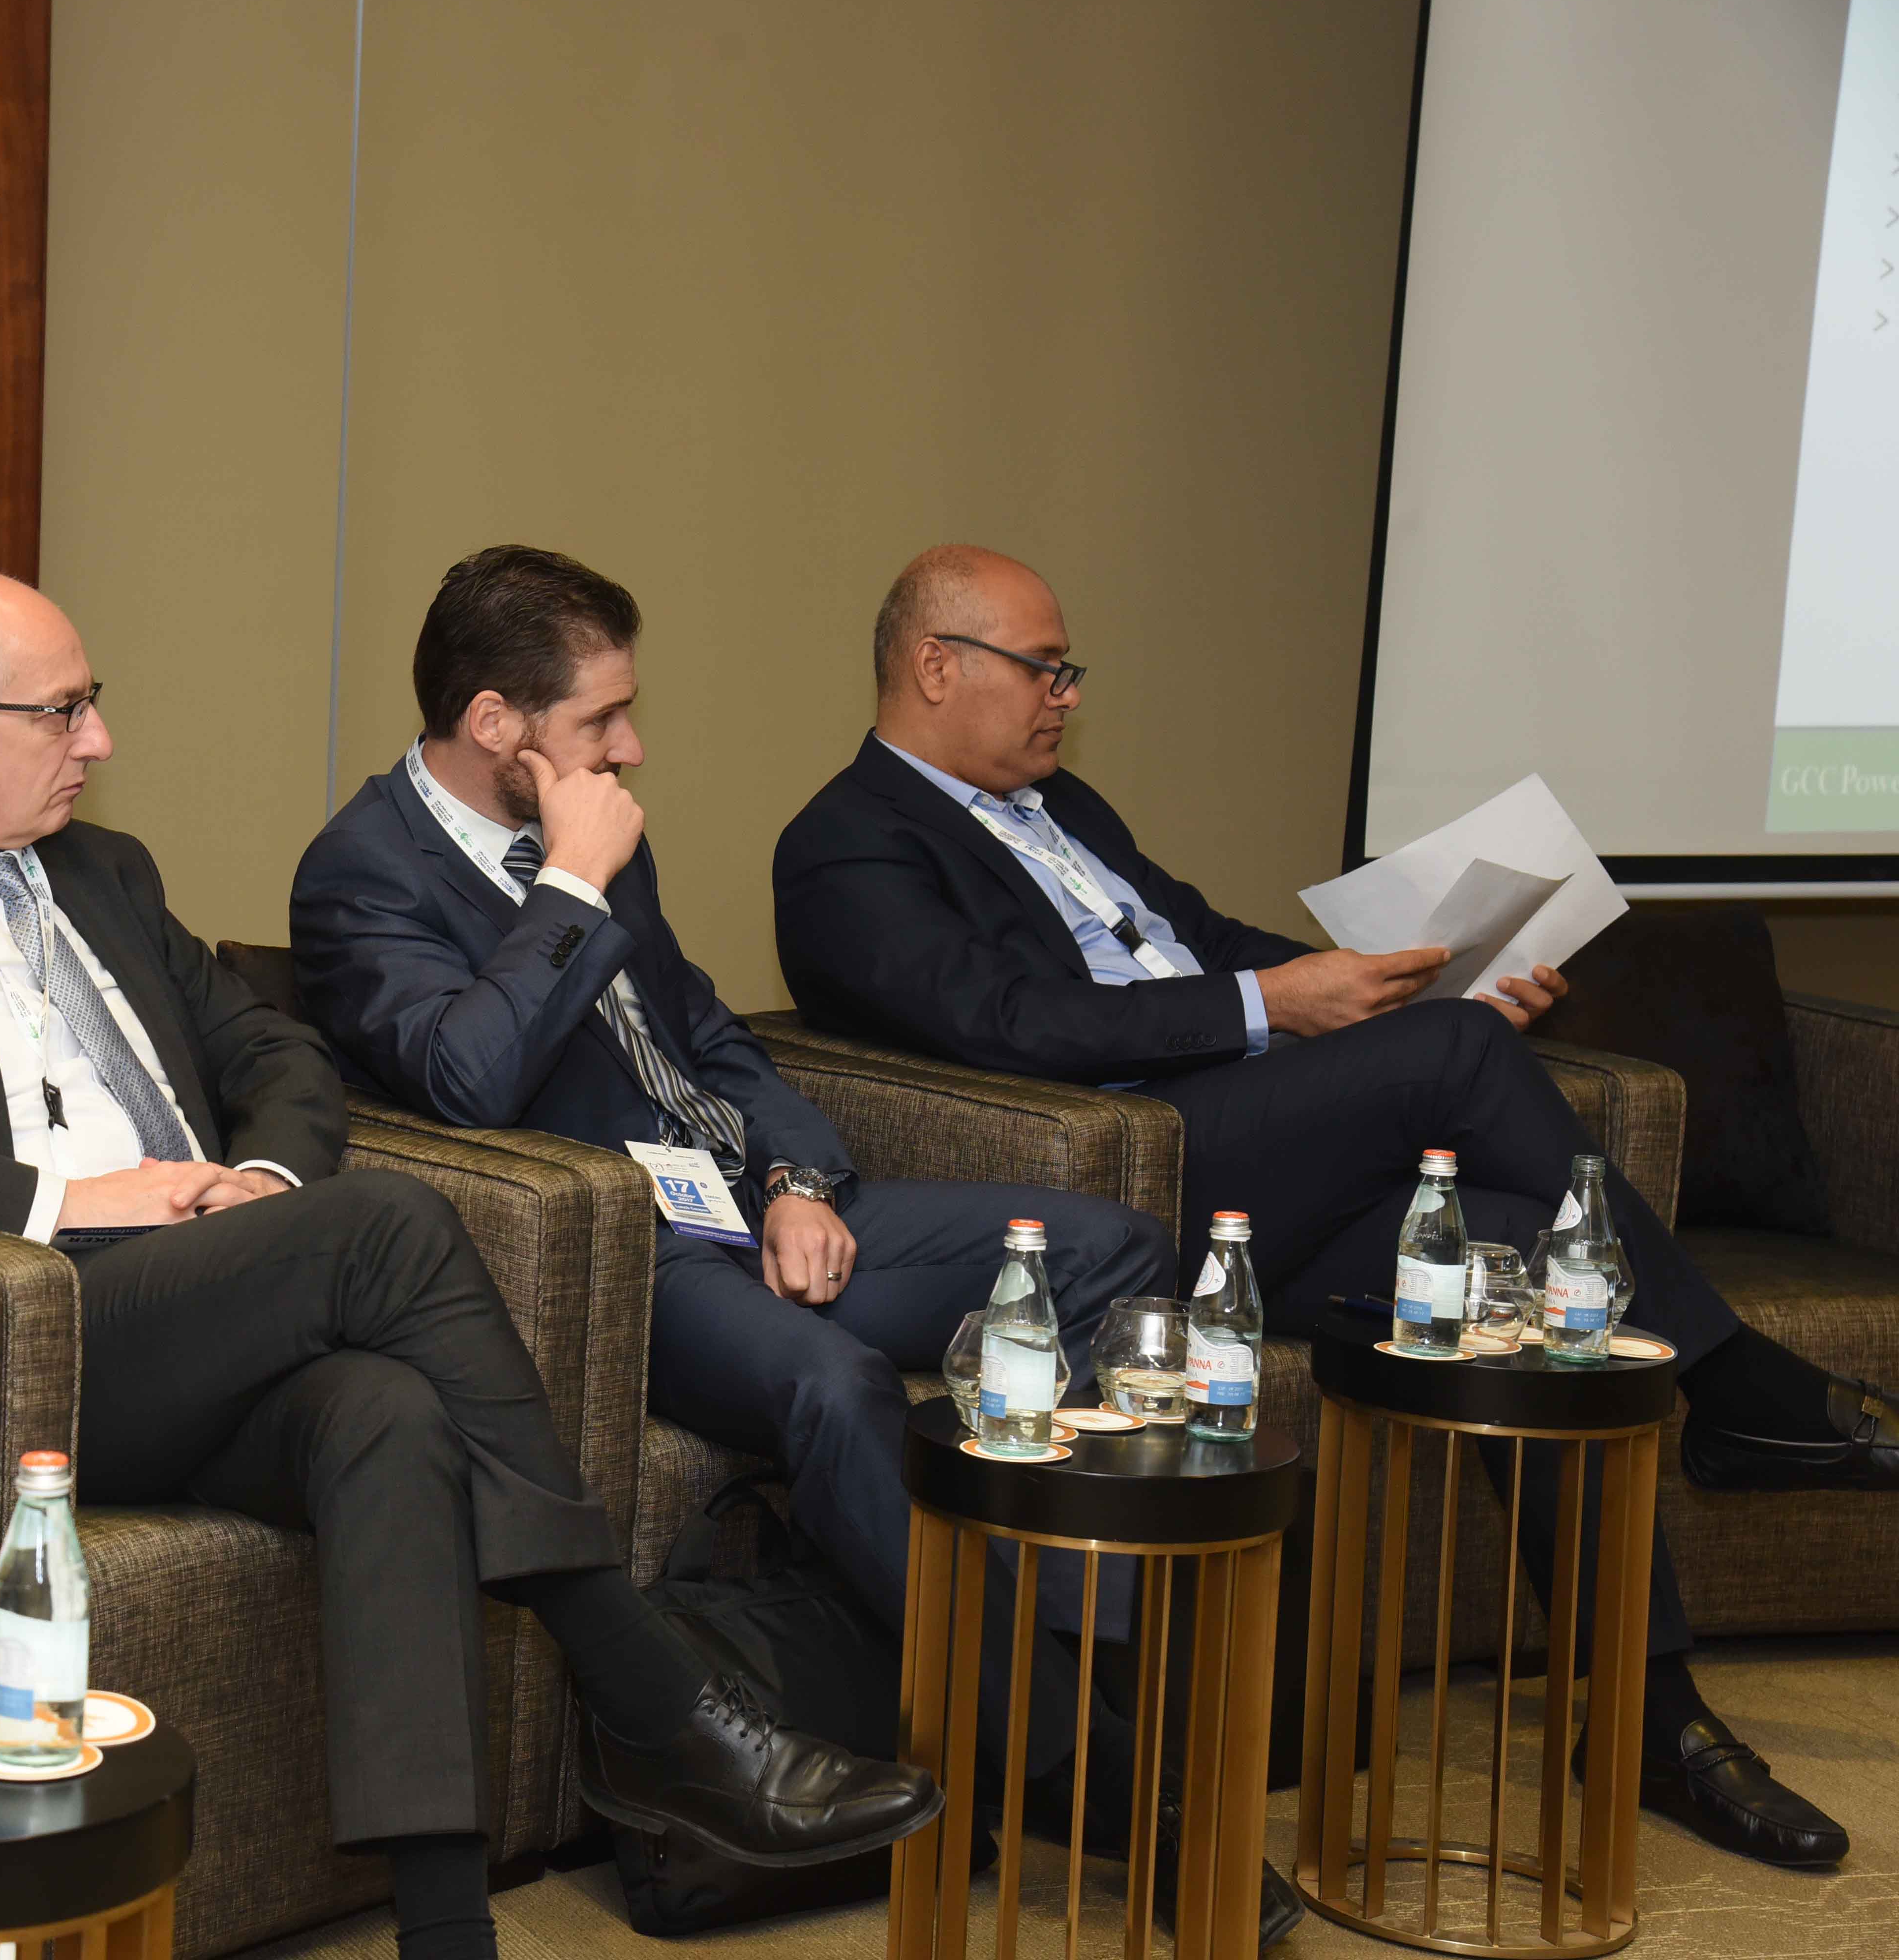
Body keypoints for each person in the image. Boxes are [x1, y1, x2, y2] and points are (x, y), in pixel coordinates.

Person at [0, 569, 935, 1960]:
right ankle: (653, 1699)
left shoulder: (108, 873)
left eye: (93, 703)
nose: (99, 740)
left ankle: (448, 1934)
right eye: (64, 711)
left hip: (216, 1298)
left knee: (386, 1418)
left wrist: (266, 1185)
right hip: (39, 1325)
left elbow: (273, 1051)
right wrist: (72, 1197)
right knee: (388, 1222)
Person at [774, 540, 1887, 1870]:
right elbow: (1004, 1021)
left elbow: (1203, 941)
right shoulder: (846, 845)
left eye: (1071, 673)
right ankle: (1735, 1385)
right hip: (1133, 1184)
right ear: (935, 666)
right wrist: (1293, 1011)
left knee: (1515, 1260)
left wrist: (1391, 988)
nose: (1066, 697)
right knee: (1459, 1062)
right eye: (1044, 670)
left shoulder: (1064, 807)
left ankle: (1652, 1715)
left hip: (1265, 1168)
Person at [289, 544, 1300, 1949]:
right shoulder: (363, 874)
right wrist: (570, 886)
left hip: (753, 1208)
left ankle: (1070, 1670)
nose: (631, 748)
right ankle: (1104, 1778)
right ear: (494, 723)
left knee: (1112, 1254)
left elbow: (707, 1036)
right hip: (629, 1259)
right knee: (836, 1386)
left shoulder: (602, 829)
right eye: (602, 719)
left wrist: (797, 1179)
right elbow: (464, 1080)